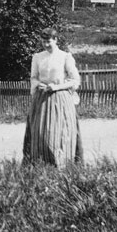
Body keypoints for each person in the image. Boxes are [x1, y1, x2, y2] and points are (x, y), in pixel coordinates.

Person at [23, 27, 83, 166]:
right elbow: (33, 77)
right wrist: (39, 84)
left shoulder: (65, 57)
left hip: (61, 99)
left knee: (61, 132)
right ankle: (41, 164)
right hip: (42, 99)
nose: (46, 44)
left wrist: (56, 87)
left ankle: (63, 164)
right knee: (40, 132)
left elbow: (75, 80)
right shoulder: (38, 57)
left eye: (48, 41)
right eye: (43, 41)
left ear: (55, 40)